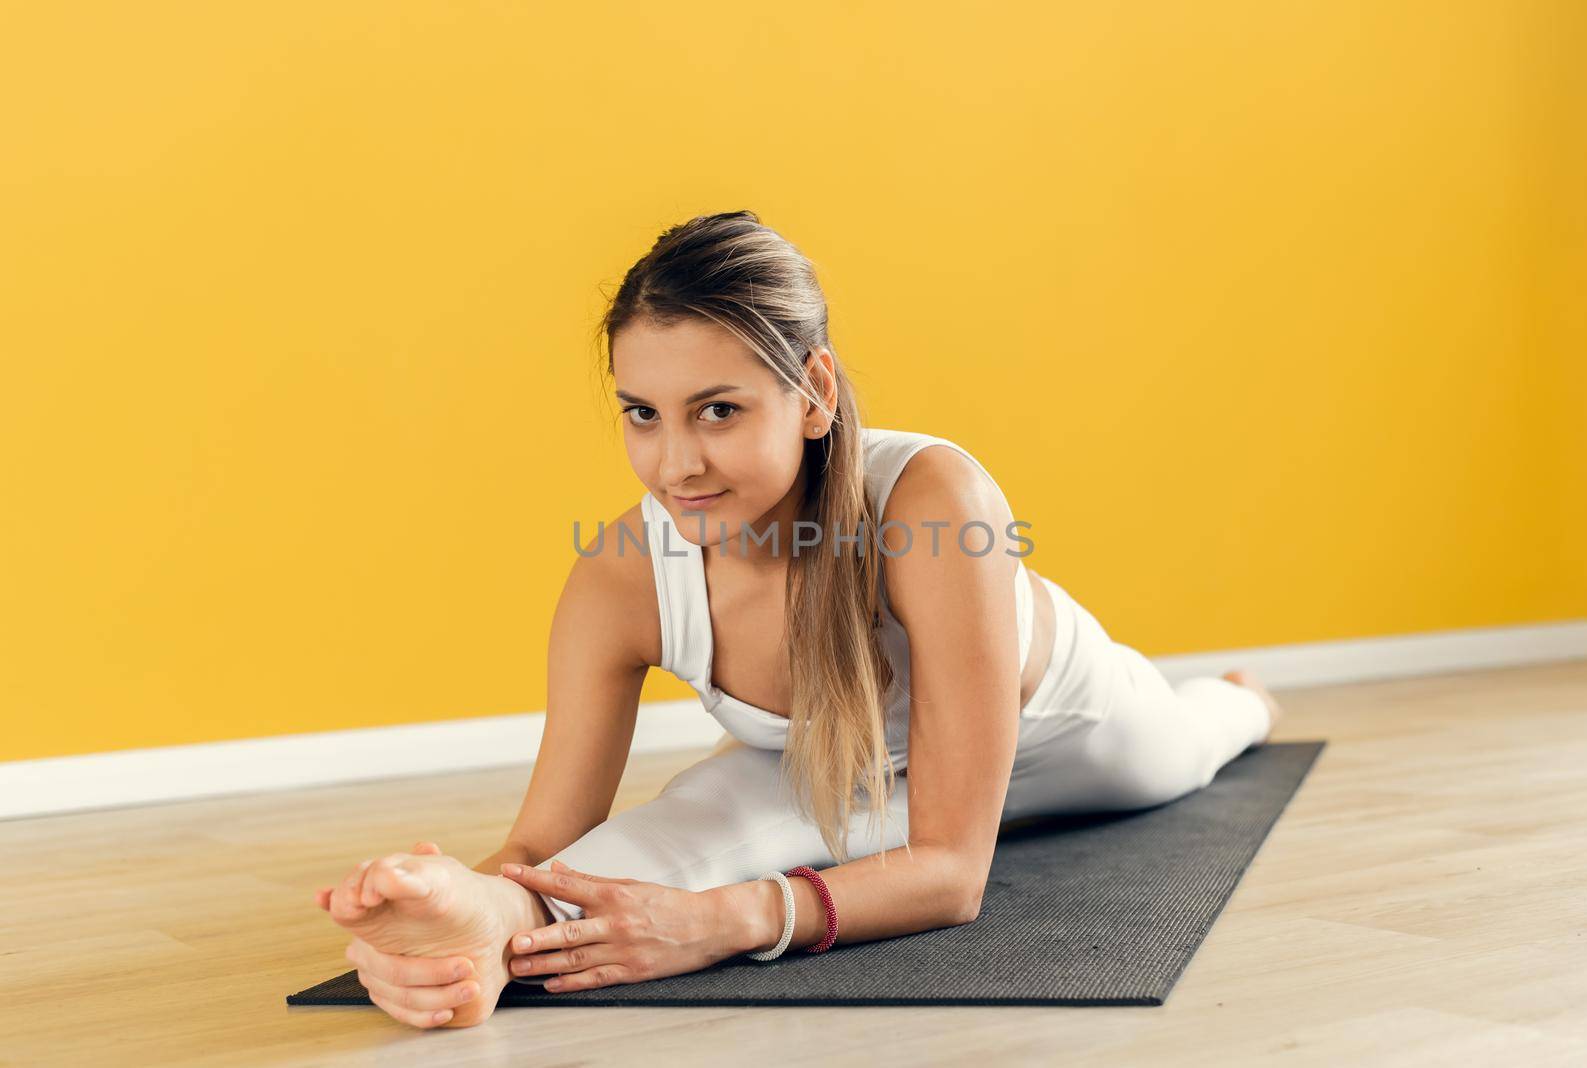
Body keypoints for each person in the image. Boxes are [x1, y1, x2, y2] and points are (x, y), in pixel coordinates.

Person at [313, 210, 1285, 1029]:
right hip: (848, 763)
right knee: (704, 815)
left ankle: (1240, 701)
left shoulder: (932, 498)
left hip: (1075, 732)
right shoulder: (620, 575)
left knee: (1189, 744)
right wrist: (480, 916)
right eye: (642, 414)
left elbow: (951, 872)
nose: (676, 464)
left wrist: (721, 925)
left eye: (718, 410)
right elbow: (548, 841)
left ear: (813, 391)